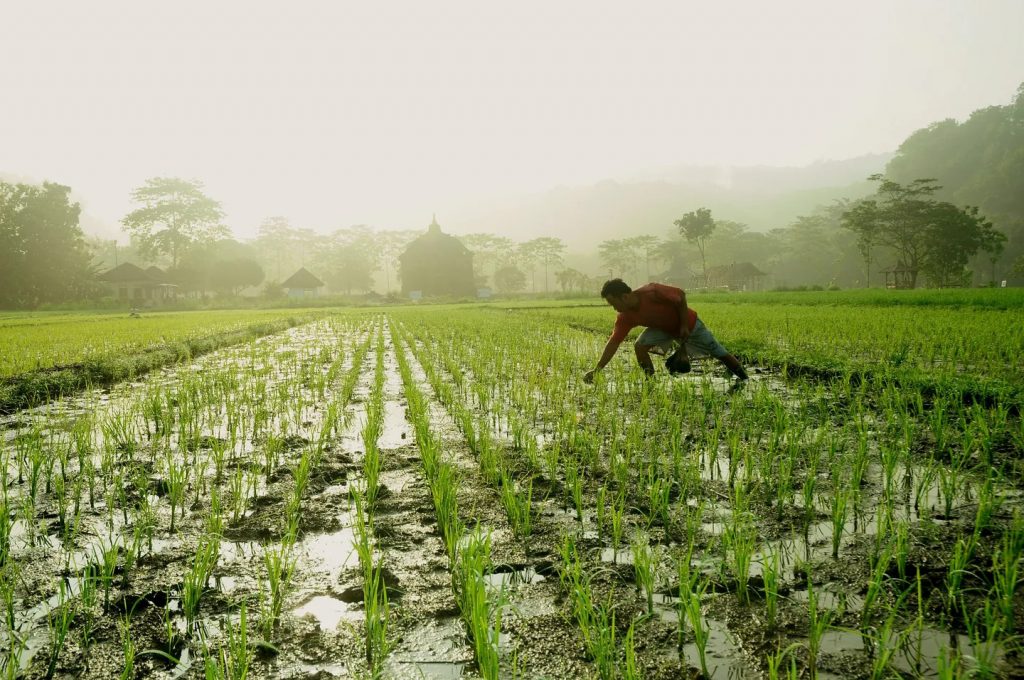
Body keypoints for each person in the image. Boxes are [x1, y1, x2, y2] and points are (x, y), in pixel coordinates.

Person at [583, 279, 749, 383]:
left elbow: (681, 296)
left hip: (689, 324)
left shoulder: (652, 291)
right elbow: (614, 342)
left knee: (718, 352)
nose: (614, 308)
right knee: (639, 346)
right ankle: (650, 381)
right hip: (663, 329)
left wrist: (683, 325)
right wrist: (597, 369)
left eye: (614, 303)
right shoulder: (625, 317)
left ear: (625, 297)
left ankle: (744, 378)